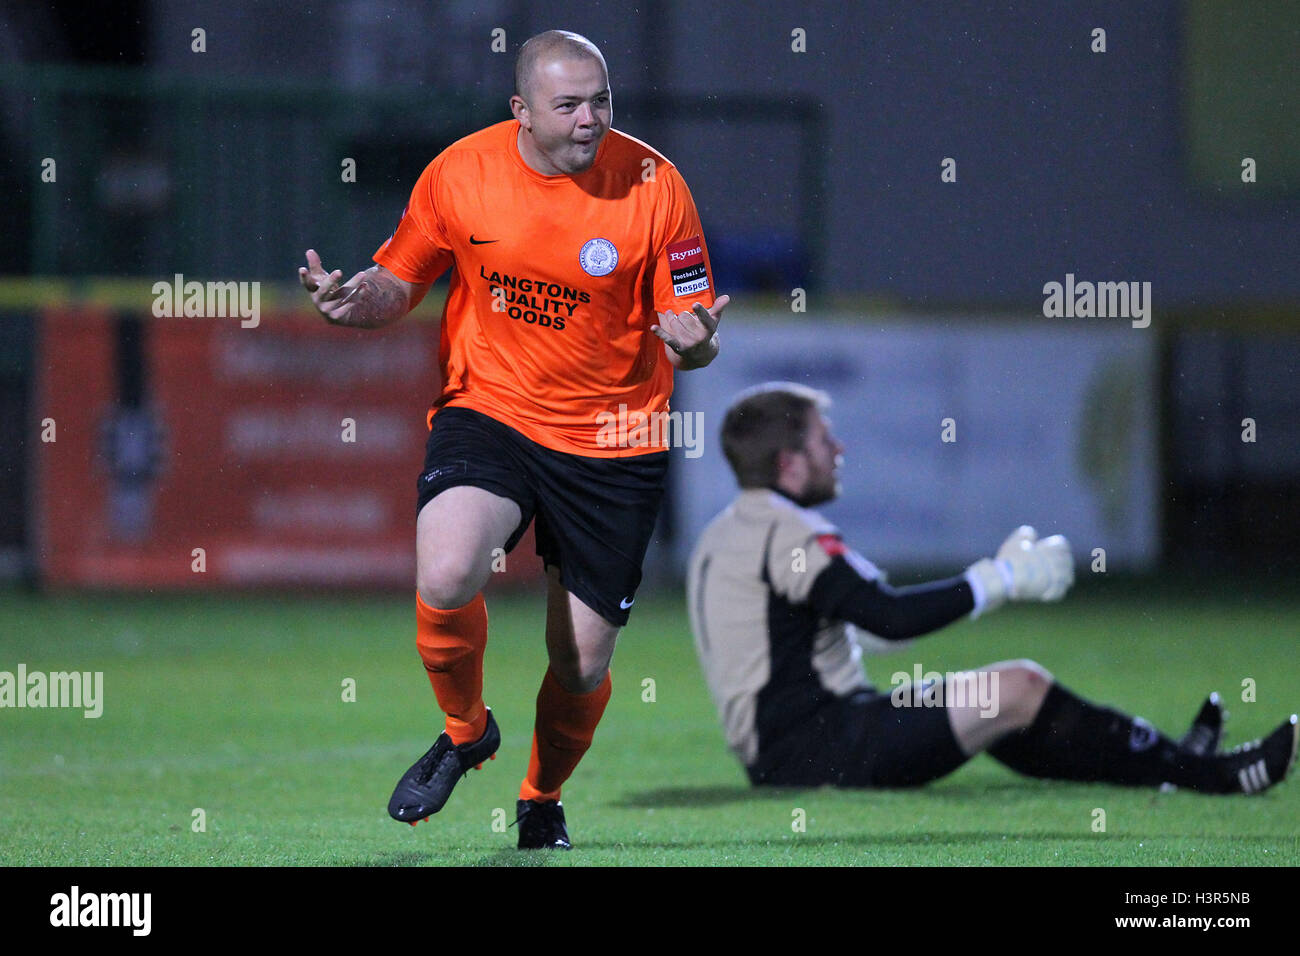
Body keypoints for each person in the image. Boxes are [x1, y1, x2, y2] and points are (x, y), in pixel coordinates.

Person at [299, 30, 729, 849]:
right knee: (450, 563)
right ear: (521, 111)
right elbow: (401, 279)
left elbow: (696, 323)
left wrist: (696, 343)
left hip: (616, 437)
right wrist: (356, 303)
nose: (590, 119)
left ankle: (540, 797)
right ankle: (466, 733)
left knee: (582, 666)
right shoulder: (461, 171)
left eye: (602, 100)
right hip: (491, 410)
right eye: (568, 104)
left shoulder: (654, 182)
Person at [687, 382, 1297, 795]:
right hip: (817, 748)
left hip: (792, 748)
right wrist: (998, 578)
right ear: (789, 464)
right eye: (824, 441)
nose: (838, 450)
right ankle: (1211, 775)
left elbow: (835, 629)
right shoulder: (787, 534)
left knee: (1002, 709)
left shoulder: (725, 535)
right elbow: (889, 618)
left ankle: (1170, 760)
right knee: (1017, 685)